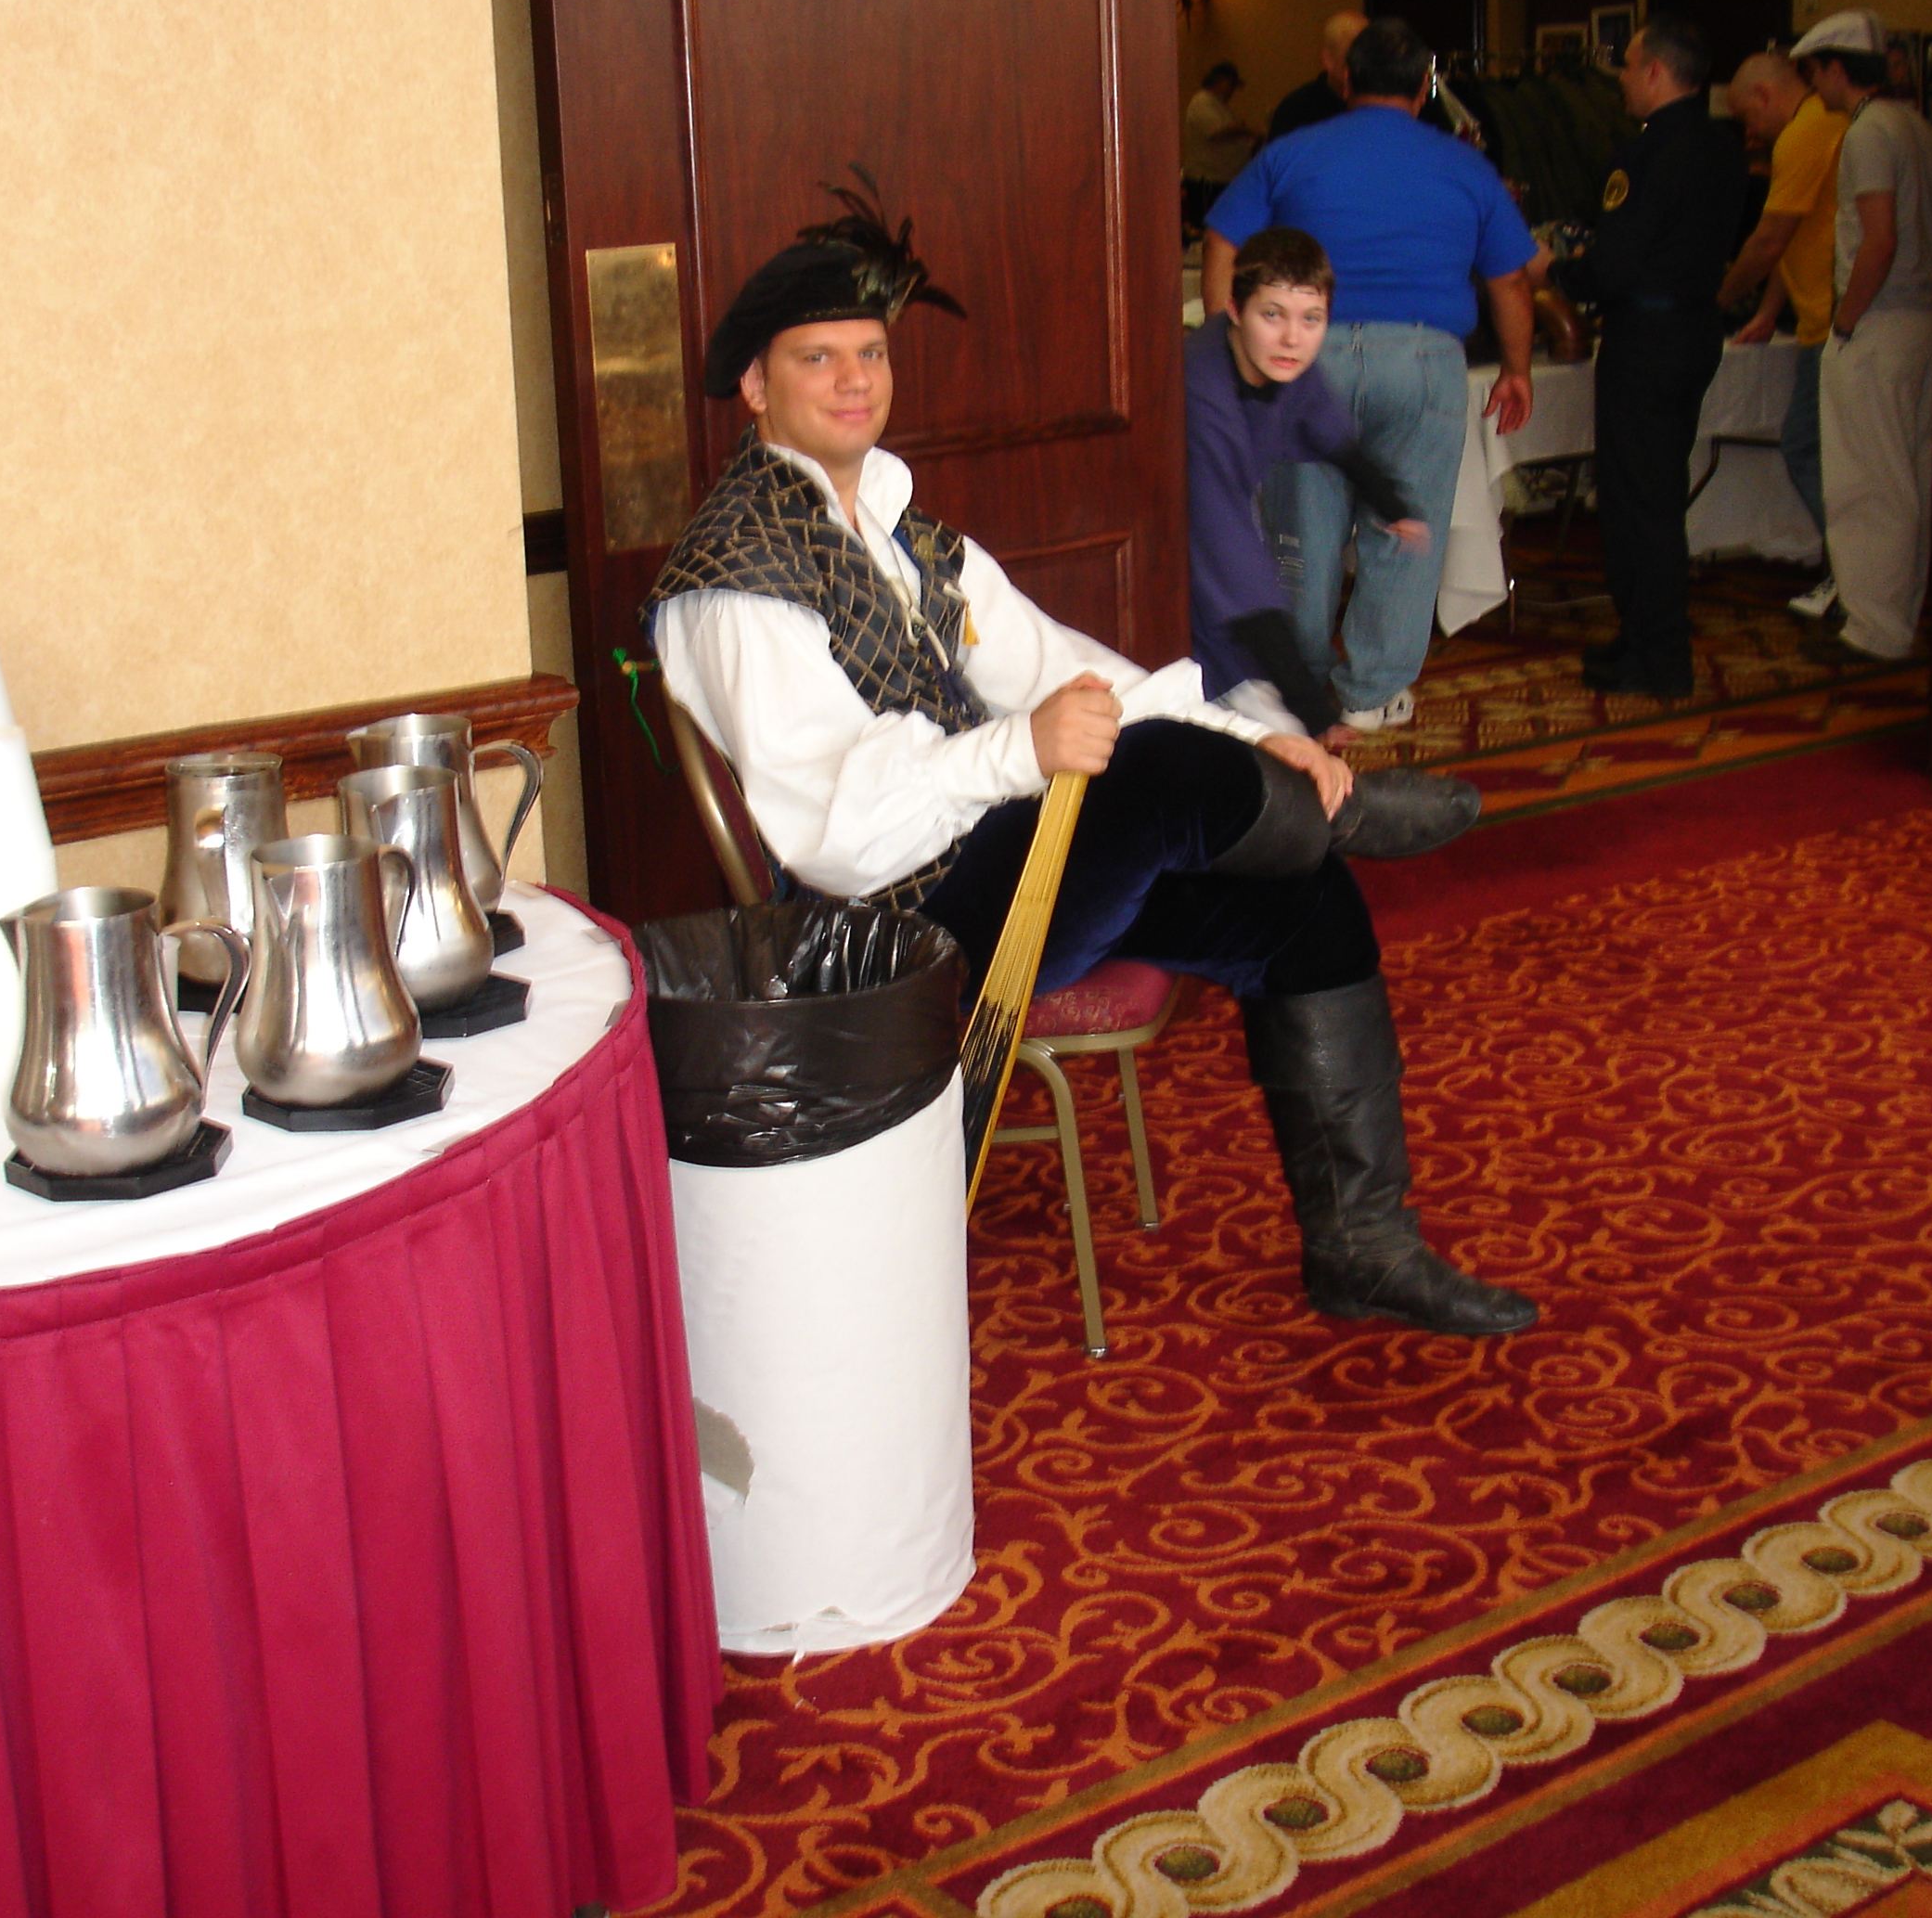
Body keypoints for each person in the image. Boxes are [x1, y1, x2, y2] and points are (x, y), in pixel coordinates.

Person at [647, 186, 1536, 1336]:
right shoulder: (737, 580)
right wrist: (1018, 750)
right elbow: (835, 835)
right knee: (1156, 775)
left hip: (997, 863)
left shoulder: (909, 535)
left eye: (871, 352)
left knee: (1304, 900)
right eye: (818, 359)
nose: (855, 379)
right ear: (758, 387)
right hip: (894, 931)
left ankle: (1365, 1250)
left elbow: (1063, 666)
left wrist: (1257, 736)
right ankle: (1343, 811)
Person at [1201, 19, 1542, 732]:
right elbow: (1511, 280)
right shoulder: (1465, 165)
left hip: (1305, 356)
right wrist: (1517, 368)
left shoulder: (1292, 153)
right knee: (1404, 528)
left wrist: (1231, 340)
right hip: (1424, 361)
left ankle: (1295, 687)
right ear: (1425, 89)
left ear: (1344, 80)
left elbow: (1222, 238)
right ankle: (1372, 693)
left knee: (1301, 530)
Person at [1182, 225, 1474, 855]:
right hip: (1164, 564)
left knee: (1249, 709)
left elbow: (1330, 430)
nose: (1293, 338)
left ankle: (1311, 803)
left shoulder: (1276, 363)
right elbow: (1235, 575)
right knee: (1239, 699)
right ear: (1233, 308)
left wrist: (1390, 503)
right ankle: (1346, 815)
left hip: (1208, 565)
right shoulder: (1202, 395)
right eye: (1273, 315)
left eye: (1311, 319)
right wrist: (1311, 709)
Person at [1548, 15, 1750, 699]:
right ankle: (1643, 636)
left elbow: (1614, 266)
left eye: (1630, 67)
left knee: (1639, 502)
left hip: (1646, 337)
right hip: (1695, 326)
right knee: (1658, 492)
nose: (1622, 82)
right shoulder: (1725, 146)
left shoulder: (1644, 154)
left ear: (1657, 73)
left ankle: (1657, 655)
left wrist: (1558, 272)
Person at [1794, 9, 1932, 665]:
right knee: (1912, 476)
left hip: (1878, 323)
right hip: (1923, 320)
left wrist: (1845, 323)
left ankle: (1874, 628)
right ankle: (1899, 614)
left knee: (1868, 483)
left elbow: (1878, 240)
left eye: (1815, 73)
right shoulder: (1916, 125)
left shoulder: (1867, 134)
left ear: (1836, 69)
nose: (1814, 87)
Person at [1719, 49, 1848, 622]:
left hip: (1834, 322)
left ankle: (1850, 572)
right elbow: (1796, 234)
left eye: (1747, 117)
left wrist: (1718, 299)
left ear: (1765, 96)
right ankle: (1852, 569)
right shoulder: (1822, 124)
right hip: (1819, 316)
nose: (1749, 133)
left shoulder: (1802, 136)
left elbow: (1770, 239)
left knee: (1807, 446)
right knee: (1822, 448)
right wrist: (1770, 309)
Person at [1266, 12, 1369, 141]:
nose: (1361, 68)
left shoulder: (1382, 103)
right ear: (1328, 61)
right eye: (1351, 61)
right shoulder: (1297, 110)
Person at [1183, 62, 1259, 234]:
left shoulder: (1218, 105)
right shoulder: (1202, 102)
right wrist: (1244, 130)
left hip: (1223, 179)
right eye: (1231, 85)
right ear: (1222, 82)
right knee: (1206, 231)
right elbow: (1217, 133)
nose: (1232, 91)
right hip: (1209, 180)